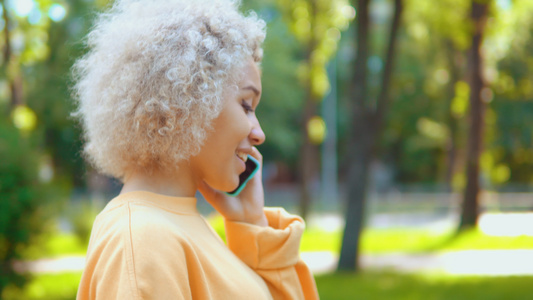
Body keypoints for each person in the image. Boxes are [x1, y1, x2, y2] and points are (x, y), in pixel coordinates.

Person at [72, 0, 319, 299]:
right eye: (245, 105)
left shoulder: (173, 226)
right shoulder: (143, 239)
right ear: (185, 101)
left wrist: (252, 223)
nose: (259, 134)